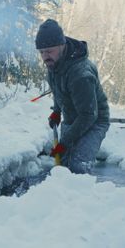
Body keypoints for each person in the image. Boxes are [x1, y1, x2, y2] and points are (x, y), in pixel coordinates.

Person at [35, 19, 110, 174]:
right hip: (73, 117)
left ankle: (85, 195)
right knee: (62, 165)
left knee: (78, 167)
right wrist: (57, 111)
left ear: (62, 46)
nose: (45, 56)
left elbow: (89, 115)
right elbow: (58, 91)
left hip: (94, 120)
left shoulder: (80, 74)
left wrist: (64, 142)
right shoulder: (54, 65)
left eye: (49, 51)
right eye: (42, 52)